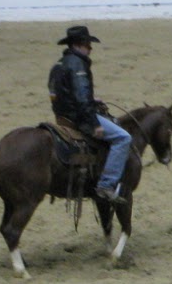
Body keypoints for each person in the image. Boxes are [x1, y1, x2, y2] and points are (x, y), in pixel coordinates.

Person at [49, 26, 133, 203]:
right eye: (88, 44)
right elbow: (81, 99)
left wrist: (92, 99)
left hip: (62, 116)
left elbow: (60, 93)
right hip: (78, 117)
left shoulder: (59, 64)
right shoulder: (78, 65)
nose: (90, 48)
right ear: (78, 45)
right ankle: (106, 185)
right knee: (123, 137)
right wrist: (94, 123)